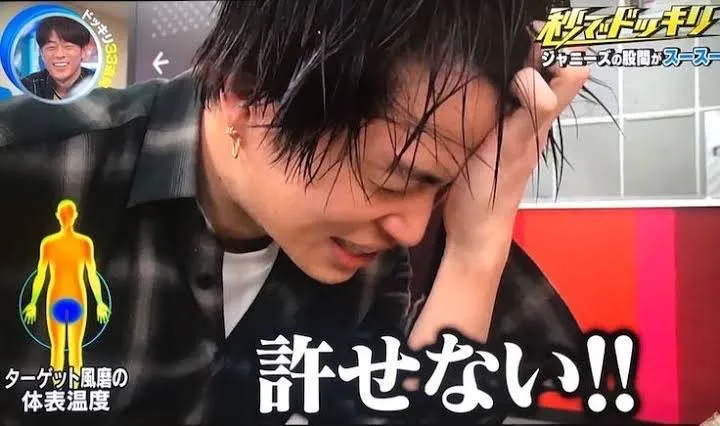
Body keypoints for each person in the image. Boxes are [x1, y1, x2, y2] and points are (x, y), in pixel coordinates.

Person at [0, 0, 589, 424]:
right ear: (246, 93)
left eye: (442, 188)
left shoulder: (383, 251)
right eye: (395, 177)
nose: (410, 228)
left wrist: (476, 249)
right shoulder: (28, 170)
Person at [20, 199, 111, 382]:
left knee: (65, 348)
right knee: (66, 348)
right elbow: (42, 276)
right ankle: (63, 390)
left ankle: (66, 389)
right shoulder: (56, 243)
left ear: (68, 216)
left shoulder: (76, 243)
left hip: (65, 297)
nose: (66, 217)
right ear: (65, 216)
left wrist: (100, 302)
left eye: (67, 214)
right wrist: (33, 302)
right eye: (65, 214)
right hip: (67, 297)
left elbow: (91, 276)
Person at [20, 16, 94, 101]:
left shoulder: (97, 83)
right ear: (41, 53)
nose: (59, 54)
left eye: (68, 47)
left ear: (83, 51)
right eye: (51, 47)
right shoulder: (28, 86)